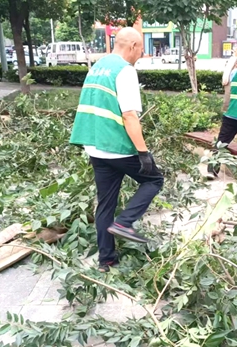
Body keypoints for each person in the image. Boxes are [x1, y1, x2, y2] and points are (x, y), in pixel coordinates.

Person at [69, 27, 164, 273]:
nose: (141, 55)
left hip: (95, 146)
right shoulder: (125, 71)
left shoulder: (98, 67)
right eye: (141, 49)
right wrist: (143, 153)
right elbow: (130, 116)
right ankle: (124, 223)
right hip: (116, 146)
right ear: (132, 46)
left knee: (105, 203)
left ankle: (106, 260)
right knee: (154, 179)